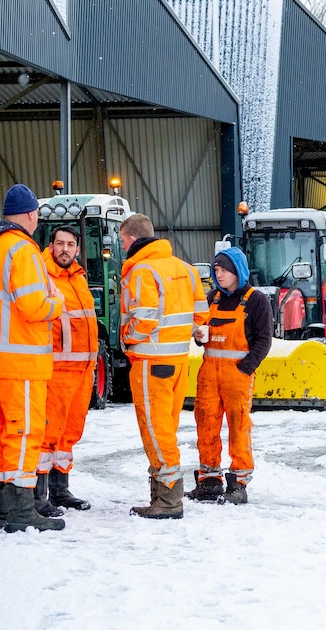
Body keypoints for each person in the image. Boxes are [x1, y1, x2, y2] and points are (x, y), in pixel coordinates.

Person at [0, 183, 66, 532]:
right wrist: (58, 303)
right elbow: (33, 306)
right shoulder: (23, 251)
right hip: (21, 360)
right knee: (25, 432)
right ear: (30, 214)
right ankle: (22, 511)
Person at [119, 214, 208, 519]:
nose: (122, 246)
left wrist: (127, 339)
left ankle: (169, 500)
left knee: (157, 433)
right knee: (165, 428)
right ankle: (163, 495)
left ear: (130, 239)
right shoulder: (184, 268)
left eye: (122, 241)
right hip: (177, 361)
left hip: (149, 361)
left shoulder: (142, 270)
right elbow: (201, 311)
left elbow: (143, 319)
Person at [189, 247, 273, 505]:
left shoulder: (256, 300)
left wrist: (246, 367)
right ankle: (209, 480)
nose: (219, 274)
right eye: (216, 270)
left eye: (224, 270)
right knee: (206, 426)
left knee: (238, 428)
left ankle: (239, 482)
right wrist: (199, 336)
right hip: (209, 375)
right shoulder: (211, 298)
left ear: (238, 271)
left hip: (237, 376)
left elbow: (263, 339)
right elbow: (203, 331)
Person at [35, 225, 98, 516]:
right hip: (56, 369)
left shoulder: (77, 277)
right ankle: (39, 495)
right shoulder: (43, 275)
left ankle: (60, 490)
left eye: (70, 244)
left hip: (82, 370)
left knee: (69, 433)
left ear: (76, 249)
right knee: (48, 433)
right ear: (51, 246)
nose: (65, 249)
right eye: (60, 243)